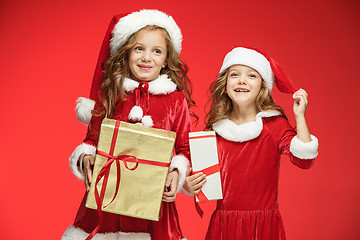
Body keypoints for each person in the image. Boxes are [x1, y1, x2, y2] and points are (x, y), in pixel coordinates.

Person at [62, 9, 194, 240]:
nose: (146, 57)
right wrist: (86, 158)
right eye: (139, 49)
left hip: (154, 202)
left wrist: (177, 172)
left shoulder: (175, 99)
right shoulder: (111, 92)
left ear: (165, 60)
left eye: (156, 51)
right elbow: (91, 140)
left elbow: (185, 149)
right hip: (107, 199)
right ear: (126, 53)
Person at [184, 46, 319, 239]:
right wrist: (188, 185)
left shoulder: (275, 126)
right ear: (225, 83)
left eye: (252, 76)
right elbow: (193, 175)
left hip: (263, 227)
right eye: (234, 74)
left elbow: (304, 160)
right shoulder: (215, 130)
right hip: (224, 226)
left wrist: (300, 117)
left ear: (263, 86)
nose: (242, 80)